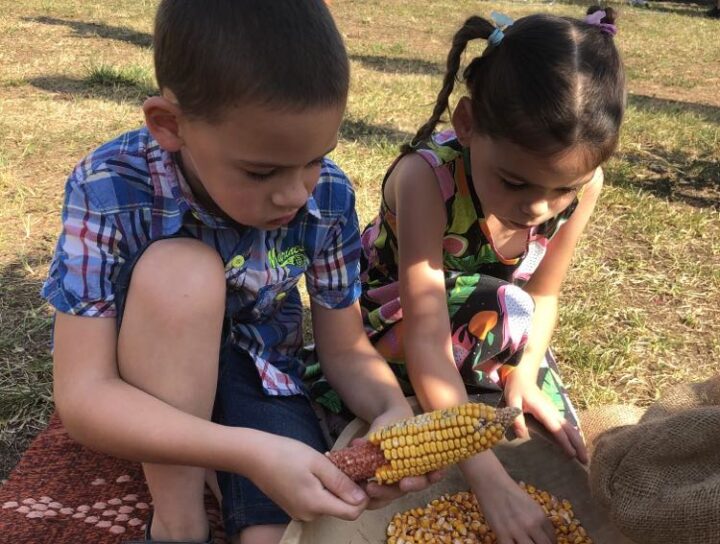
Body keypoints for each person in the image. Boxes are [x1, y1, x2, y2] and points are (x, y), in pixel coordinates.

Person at [41, 2, 436, 543]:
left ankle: (214, 467)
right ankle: (177, 523)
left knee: (282, 533)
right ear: (170, 126)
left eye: (316, 158)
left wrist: (389, 409)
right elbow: (84, 398)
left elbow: (342, 348)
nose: (296, 194)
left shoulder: (329, 195)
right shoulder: (108, 187)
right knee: (182, 272)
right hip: (151, 369)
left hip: (262, 369)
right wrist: (248, 452)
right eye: (260, 171)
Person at [359, 7, 625, 544]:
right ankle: (450, 407)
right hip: (405, 326)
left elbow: (544, 295)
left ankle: (492, 383)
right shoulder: (425, 180)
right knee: (489, 299)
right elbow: (427, 334)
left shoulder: (584, 184)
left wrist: (525, 373)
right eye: (514, 182)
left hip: (499, 323)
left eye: (562, 191)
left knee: (553, 428)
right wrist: (488, 479)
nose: (539, 209)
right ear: (467, 123)